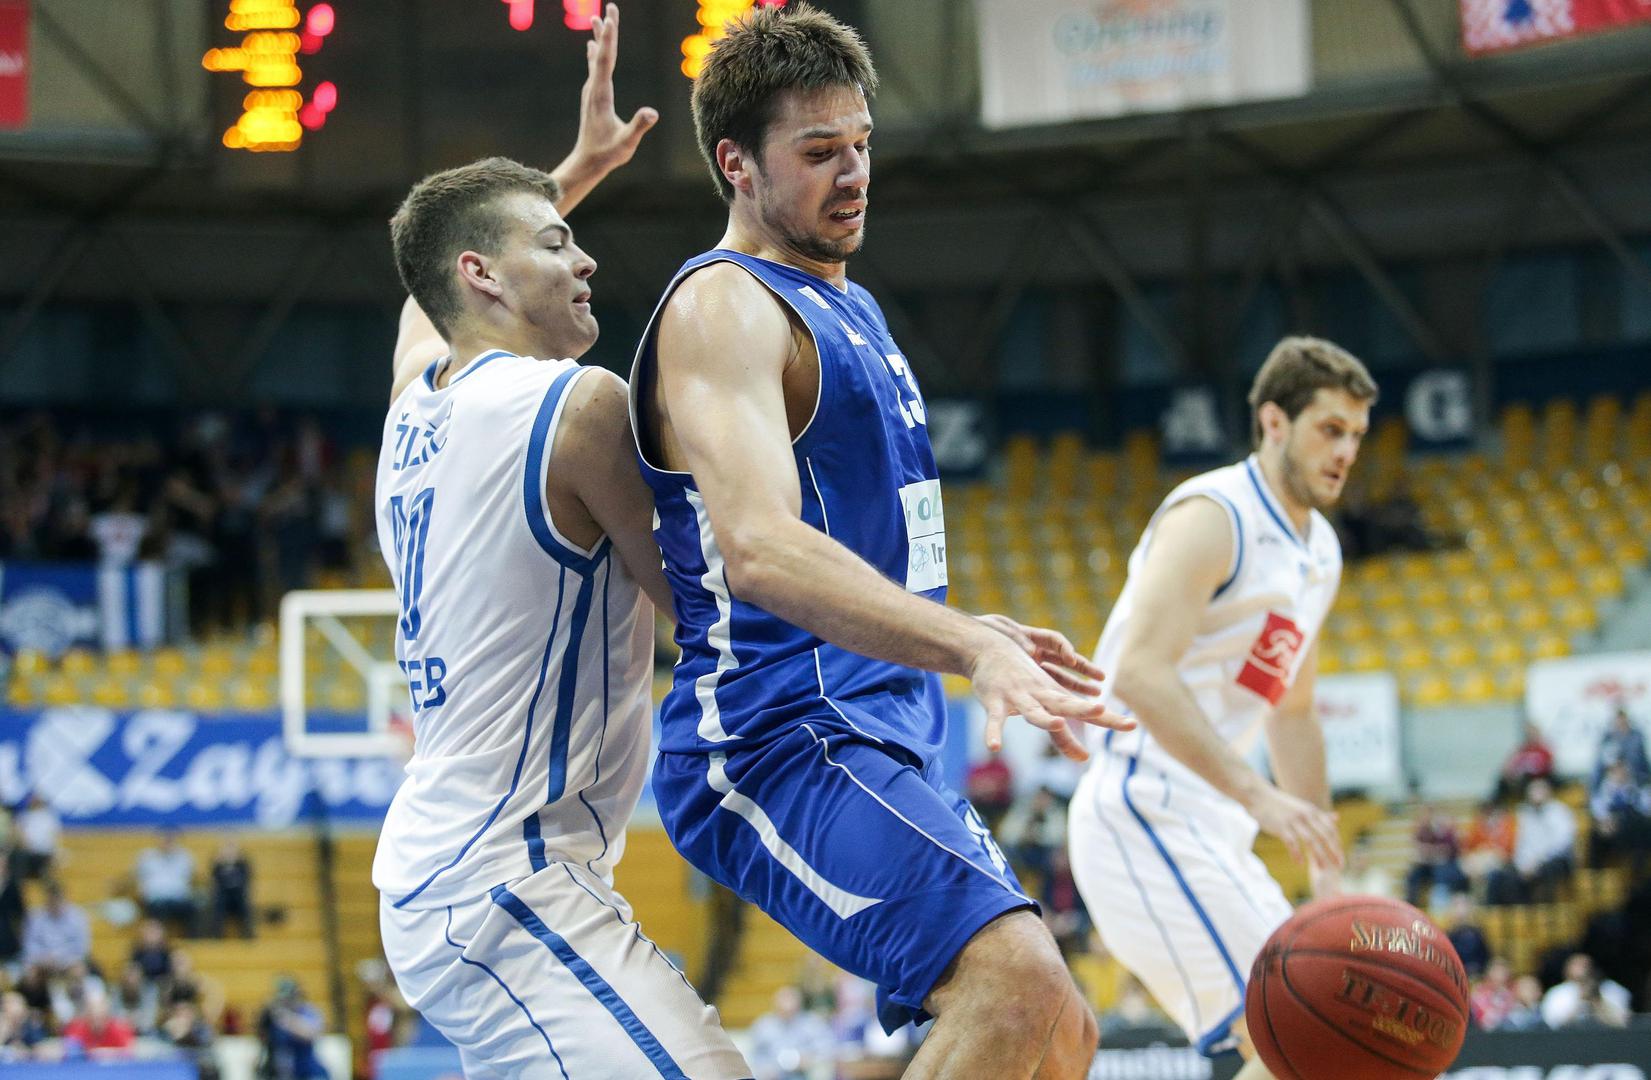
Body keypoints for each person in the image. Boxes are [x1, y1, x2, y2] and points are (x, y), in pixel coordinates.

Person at [631, 6, 1129, 1074]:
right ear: (736, 164)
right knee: (1016, 986)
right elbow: (759, 548)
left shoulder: (848, 305)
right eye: (819, 152)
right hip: (776, 735)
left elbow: (861, 545)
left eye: (861, 144)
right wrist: (967, 646)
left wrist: (977, 626)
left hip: (880, 725)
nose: (854, 173)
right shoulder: (724, 305)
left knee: (1060, 1031)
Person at [371, 9, 748, 1078]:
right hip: (504, 878)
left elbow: (426, 295)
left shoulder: (413, 402)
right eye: (553, 243)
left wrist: (572, 174)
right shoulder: (576, 406)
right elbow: (709, 610)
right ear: (484, 276)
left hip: (456, 870)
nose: (584, 258)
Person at [1066, 338, 1374, 1073]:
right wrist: (1258, 795)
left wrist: (1325, 866)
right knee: (1300, 1038)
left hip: (1211, 823)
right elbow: (1137, 674)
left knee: (1317, 1043)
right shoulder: (1214, 514)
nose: (1345, 452)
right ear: (1274, 422)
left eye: (1356, 436)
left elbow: (1292, 711)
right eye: (1330, 429)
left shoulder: (1319, 551)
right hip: (1141, 808)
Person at [748, 985, 835, 1080]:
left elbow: (827, 1049)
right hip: (774, 1075)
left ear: (799, 1005)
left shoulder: (813, 1023)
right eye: (783, 1007)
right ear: (775, 1006)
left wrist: (809, 1059)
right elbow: (755, 1056)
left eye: (791, 1003)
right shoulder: (763, 1025)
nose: (788, 1007)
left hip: (804, 1074)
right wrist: (766, 1069)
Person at [1513, 778, 1577, 901]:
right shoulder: (1525, 814)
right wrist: (1523, 864)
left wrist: (1539, 861)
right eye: (1533, 790)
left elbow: (1563, 844)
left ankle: (1549, 907)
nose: (1536, 794)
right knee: (1509, 874)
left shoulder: (1559, 811)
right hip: (1531, 863)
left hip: (1556, 860)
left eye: (1539, 790)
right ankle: (1524, 908)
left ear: (1548, 792)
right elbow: (1522, 844)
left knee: (1548, 869)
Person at [1540, 953, 1631, 1029]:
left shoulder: (1613, 989)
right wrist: (1581, 1000)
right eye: (1576, 965)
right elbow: (1553, 1026)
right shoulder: (1557, 993)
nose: (1582, 970)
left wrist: (1596, 1000)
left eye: (1585, 965)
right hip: (1569, 1040)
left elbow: (1622, 1023)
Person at [1404, 803, 1468, 908]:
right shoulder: (1424, 831)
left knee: (1440, 874)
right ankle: (1411, 905)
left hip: (1447, 865)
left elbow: (1446, 851)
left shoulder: (1446, 832)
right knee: (1413, 875)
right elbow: (1418, 850)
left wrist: (1430, 850)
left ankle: (1439, 905)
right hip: (1430, 864)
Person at [134, 829, 198, 930]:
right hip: (156, 899)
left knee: (193, 908)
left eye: (170, 839)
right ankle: (157, 938)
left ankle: (193, 938)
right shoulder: (146, 857)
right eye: (164, 839)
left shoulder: (185, 856)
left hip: (179, 899)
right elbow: (138, 878)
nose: (167, 842)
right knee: (158, 909)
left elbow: (191, 879)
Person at [21, 881, 90, 975]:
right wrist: (43, 959)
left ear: (63, 899)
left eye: (57, 900)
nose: (54, 904)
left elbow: (82, 948)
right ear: (46, 899)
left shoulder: (78, 917)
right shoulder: (35, 917)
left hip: (68, 962)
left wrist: (60, 959)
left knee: (78, 971)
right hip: (42, 961)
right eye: (51, 901)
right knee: (30, 974)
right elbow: (30, 946)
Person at [1594, 706, 1649, 791]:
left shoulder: (1637, 737)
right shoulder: (1608, 738)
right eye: (1619, 721)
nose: (1621, 724)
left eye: (1623, 721)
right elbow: (1601, 763)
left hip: (1635, 779)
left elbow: (1643, 761)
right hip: (1613, 781)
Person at [1498, 721, 1555, 802]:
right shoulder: (1522, 750)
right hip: (1523, 778)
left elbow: (1549, 766)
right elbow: (1509, 766)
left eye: (1533, 734)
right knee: (1503, 782)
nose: (1531, 737)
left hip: (1538, 778)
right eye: (1529, 735)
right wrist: (1509, 775)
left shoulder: (1543, 750)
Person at [209, 840, 254, 939]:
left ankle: (248, 934)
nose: (229, 853)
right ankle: (216, 935)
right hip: (223, 897)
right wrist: (220, 864)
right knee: (218, 900)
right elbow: (215, 880)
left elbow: (245, 880)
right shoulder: (218, 865)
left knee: (244, 901)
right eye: (227, 850)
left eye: (232, 849)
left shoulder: (243, 864)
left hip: (238, 896)